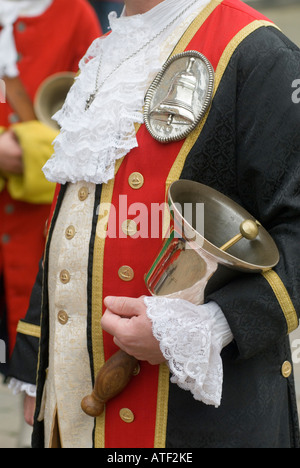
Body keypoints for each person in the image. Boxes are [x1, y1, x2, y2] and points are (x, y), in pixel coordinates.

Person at [10, 0, 300, 448]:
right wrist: (37, 367)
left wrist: (211, 325)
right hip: (69, 412)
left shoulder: (258, 51)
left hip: (190, 424)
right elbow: (71, 220)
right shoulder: (106, 48)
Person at [0, 1, 101, 372]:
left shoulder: (73, 12)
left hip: (41, 225)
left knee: (35, 365)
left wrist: (29, 151)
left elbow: (96, 115)